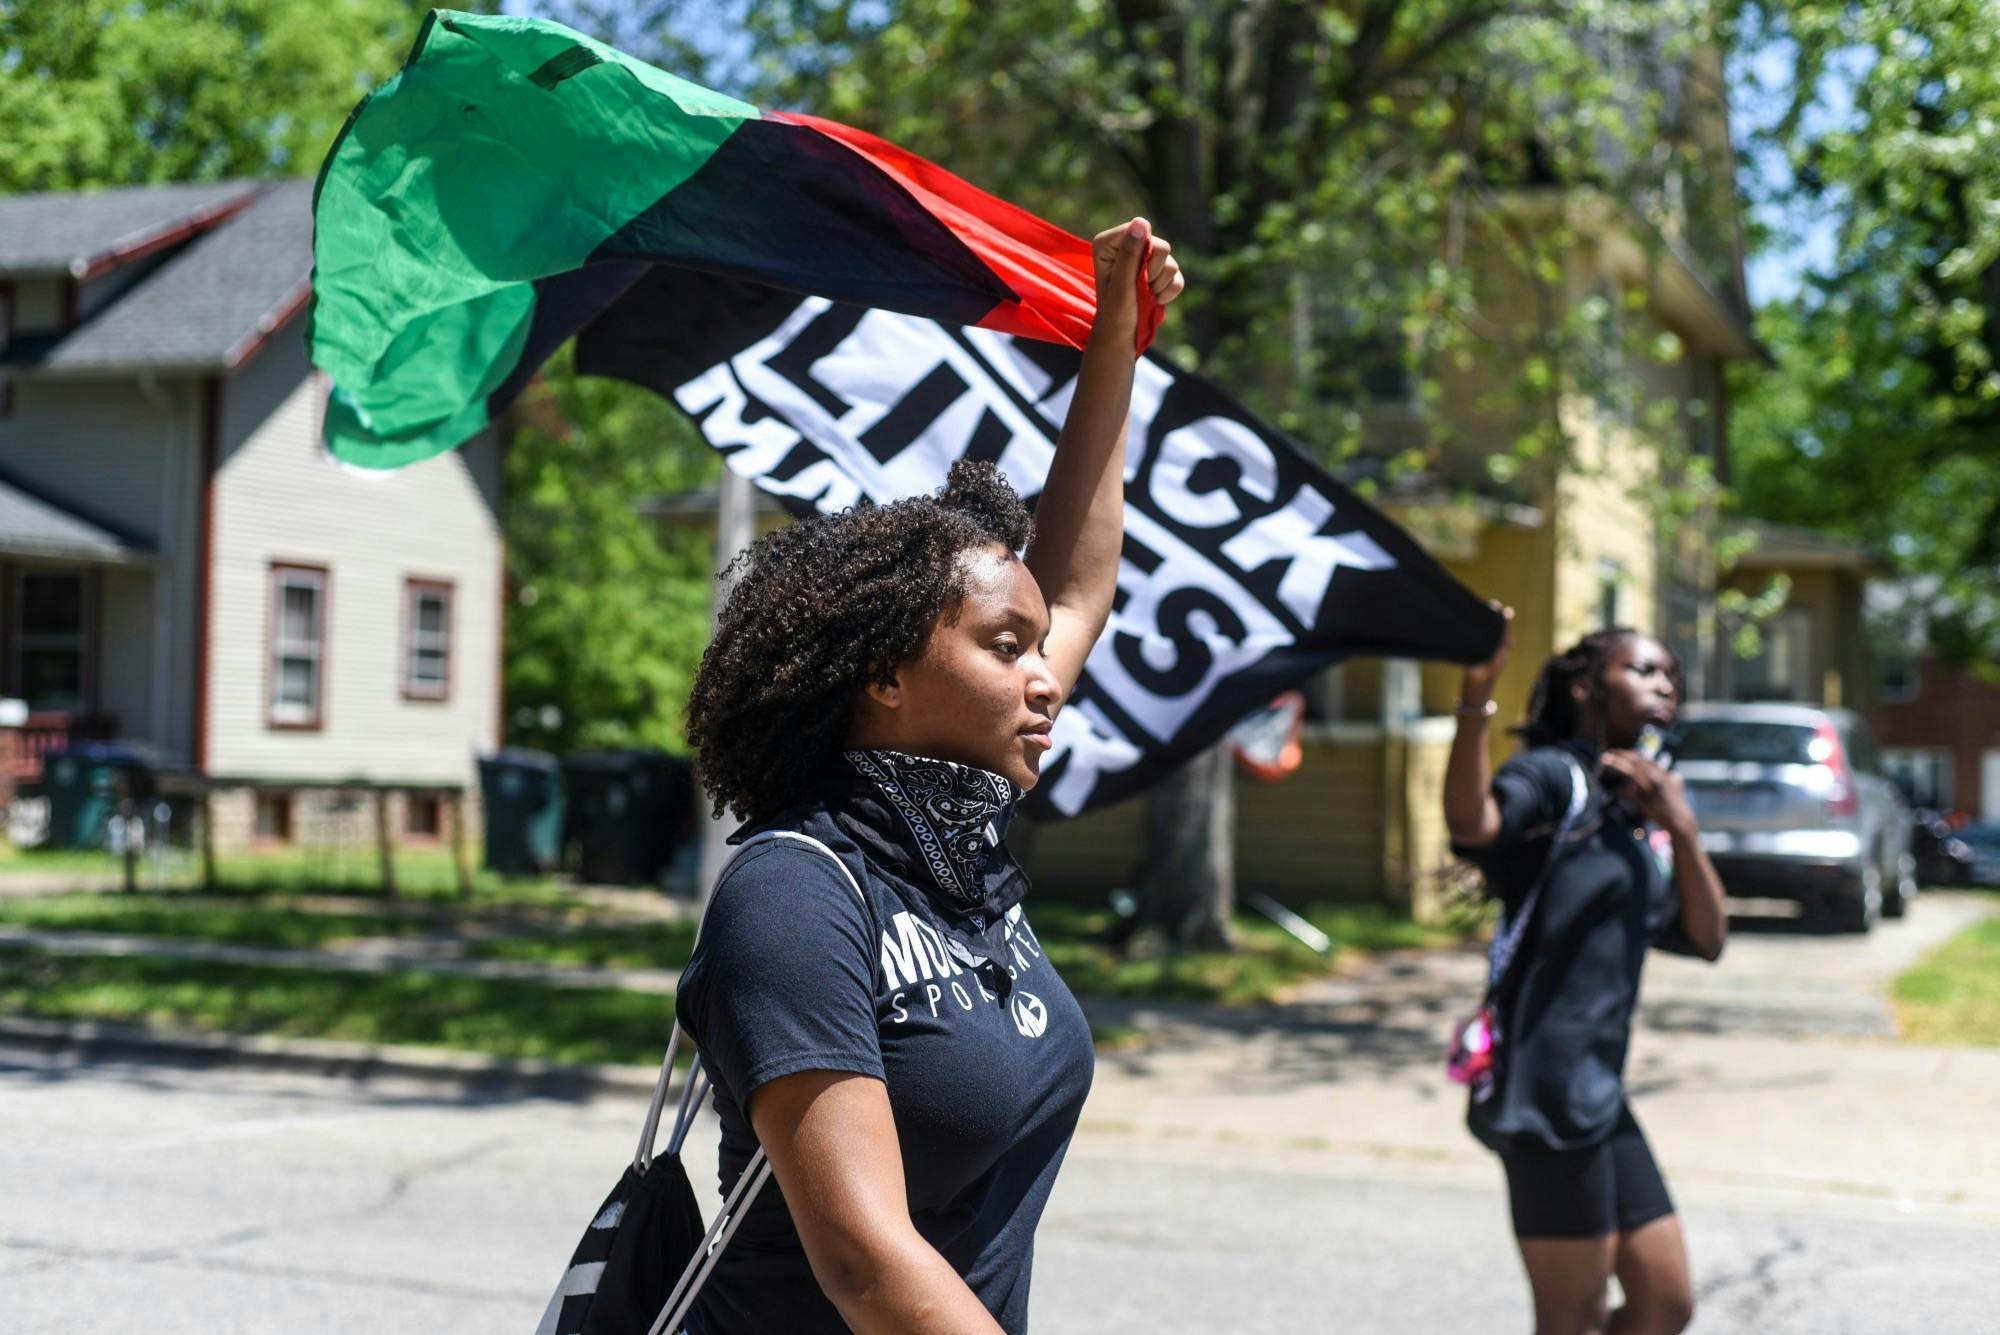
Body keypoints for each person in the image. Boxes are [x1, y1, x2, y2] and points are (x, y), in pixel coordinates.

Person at [673, 218, 1183, 1334]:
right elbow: (862, 1262)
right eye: (1004, 647)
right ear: (884, 676)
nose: (1043, 676)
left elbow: (1081, 582)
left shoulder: (955, 846)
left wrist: (1114, 340)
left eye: (1034, 647)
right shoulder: (796, 893)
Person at [1444, 612, 1728, 1335]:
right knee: (1573, 1316)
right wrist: (1476, 698)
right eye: (1641, 669)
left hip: (1601, 1092)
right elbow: (1475, 822)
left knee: (1666, 1303)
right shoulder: (1554, 777)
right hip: (1543, 1093)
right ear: (1584, 685)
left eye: (1669, 672)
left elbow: (1708, 936)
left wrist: (1682, 826)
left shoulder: (1645, 811)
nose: (1663, 683)